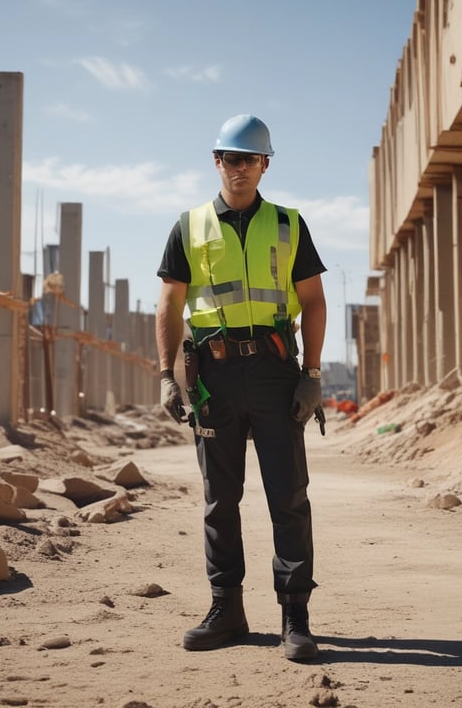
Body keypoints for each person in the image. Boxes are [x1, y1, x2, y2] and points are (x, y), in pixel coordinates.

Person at [155, 114, 327, 661]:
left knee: (289, 497)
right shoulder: (190, 225)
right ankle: (226, 608)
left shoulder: (289, 224)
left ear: (265, 164)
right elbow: (171, 303)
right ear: (217, 162)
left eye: (250, 159)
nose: (241, 168)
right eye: (232, 158)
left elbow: (315, 301)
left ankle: (295, 617)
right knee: (218, 499)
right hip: (215, 374)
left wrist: (314, 375)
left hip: (277, 371)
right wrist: (166, 375)